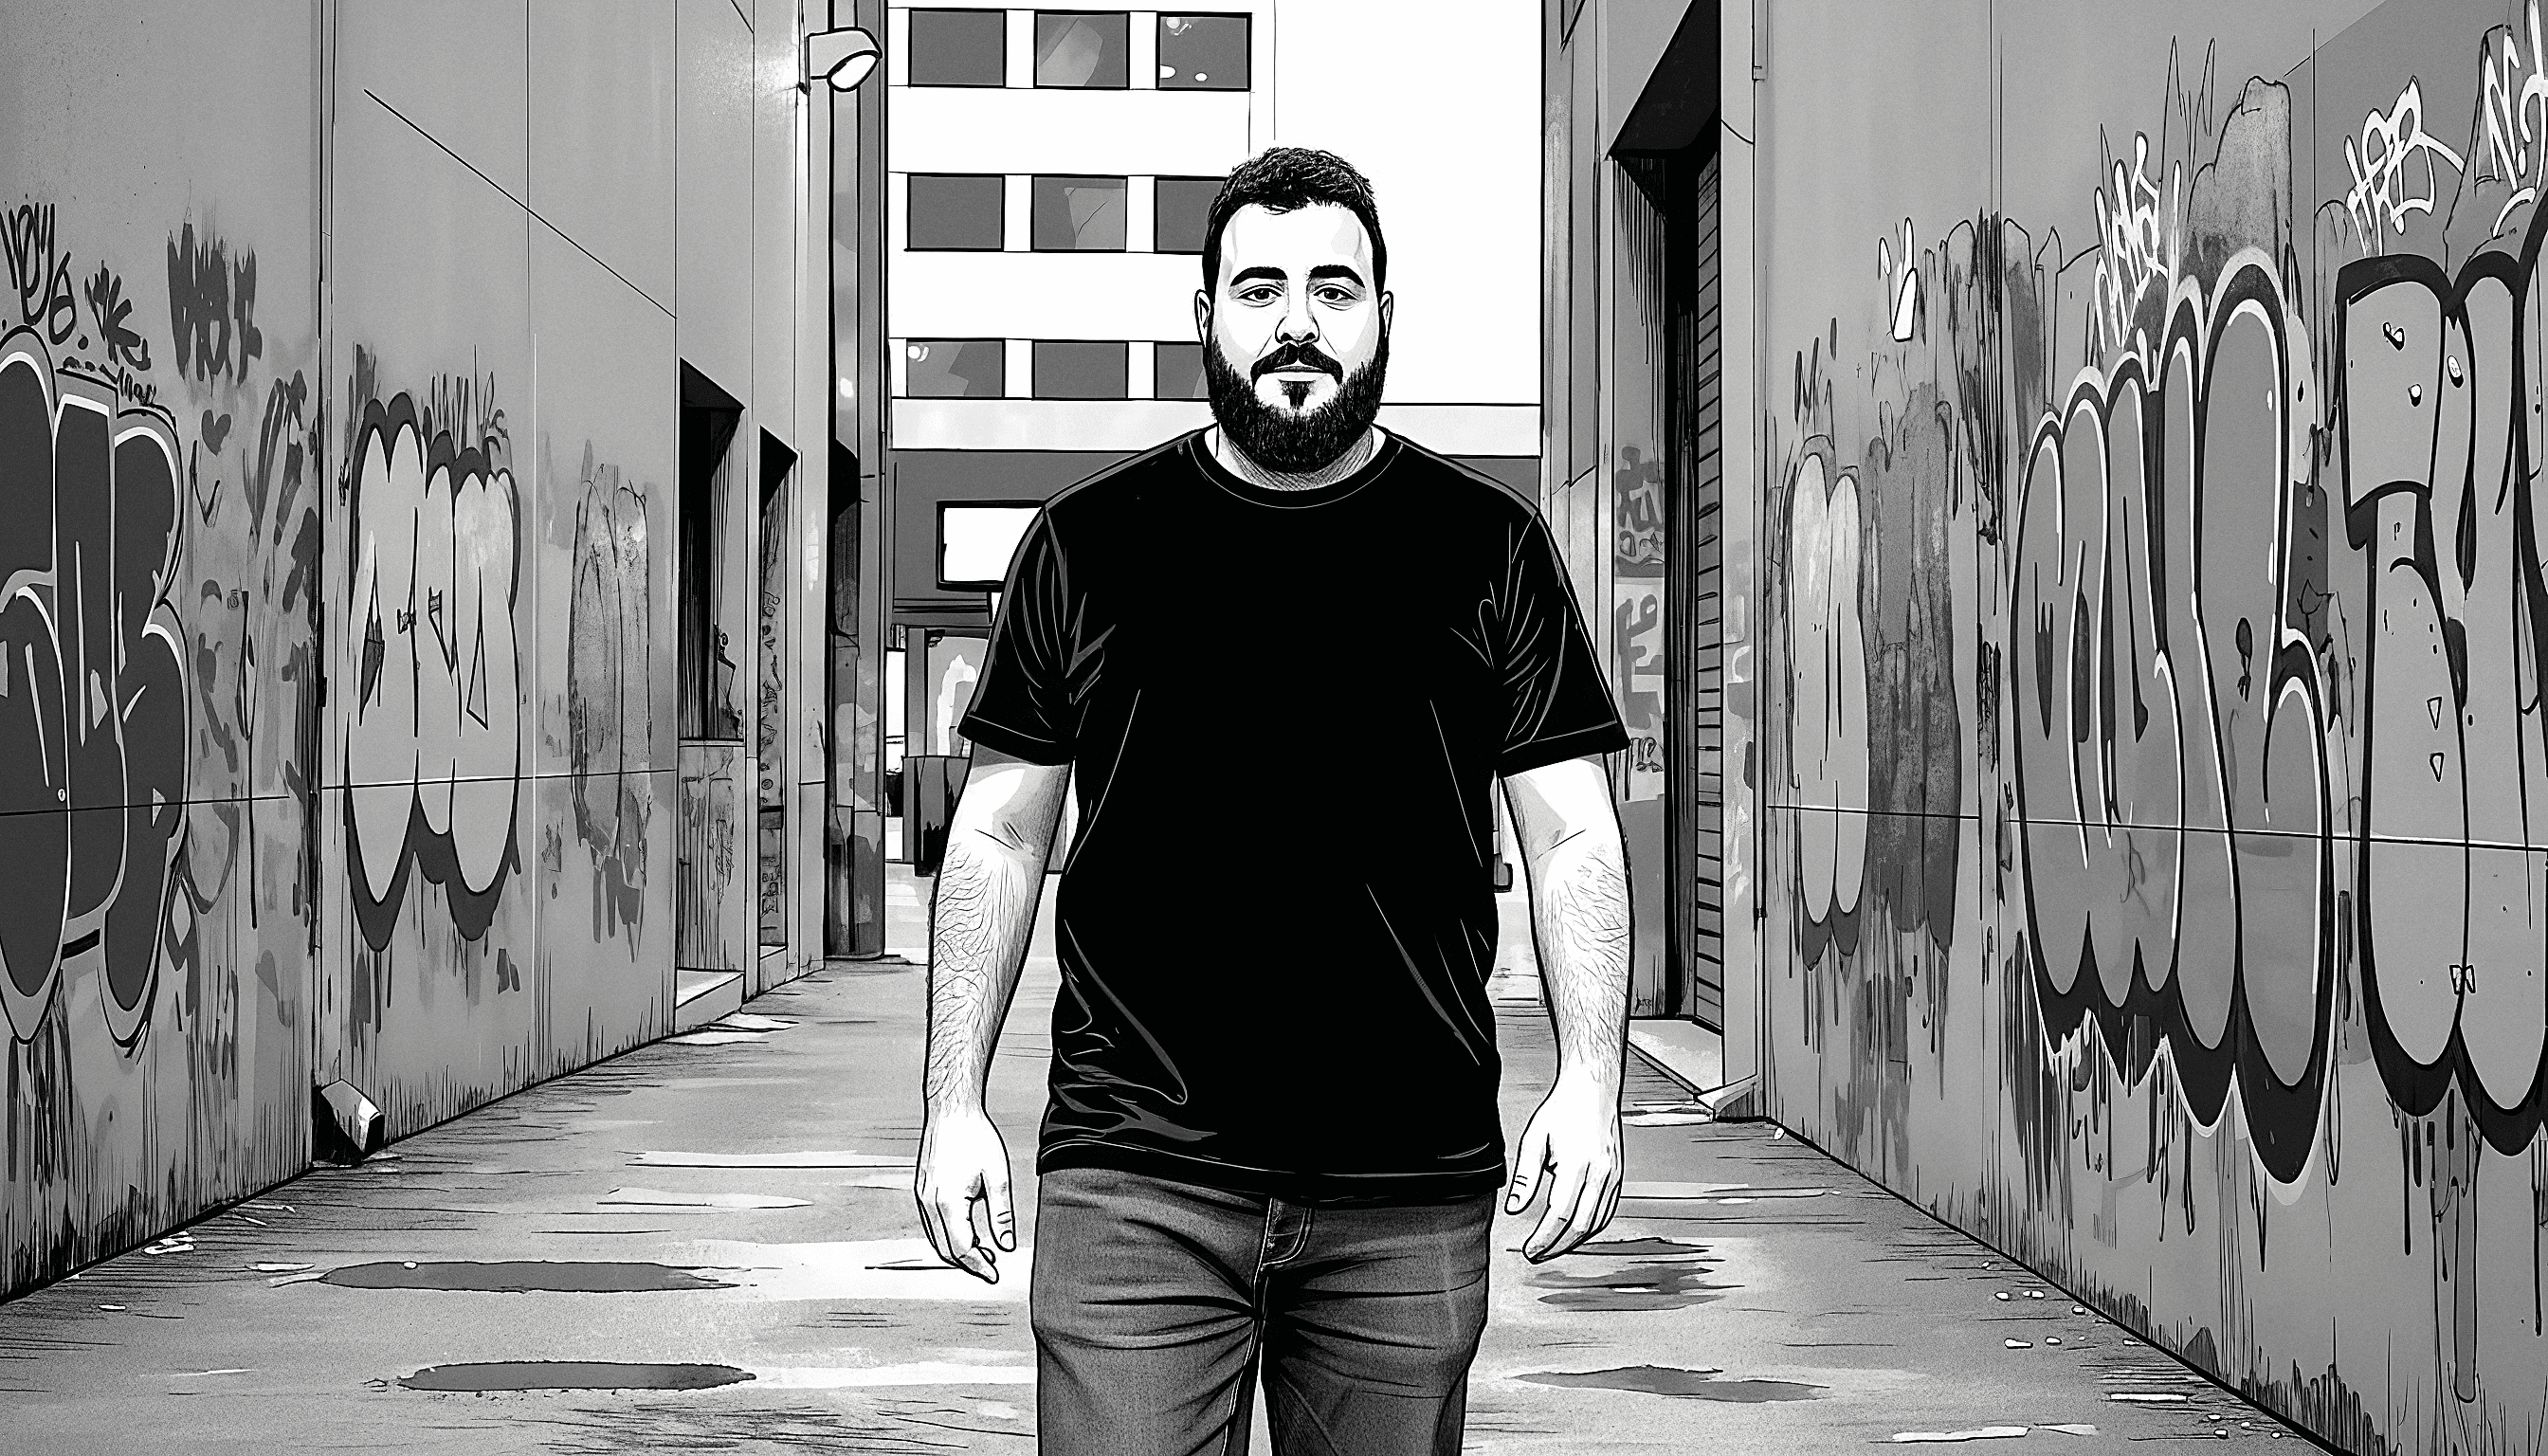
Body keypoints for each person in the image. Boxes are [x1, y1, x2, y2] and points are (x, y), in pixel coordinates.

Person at [914, 146, 1633, 1456]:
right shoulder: (1089, 542)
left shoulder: (1488, 546)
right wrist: (950, 1103)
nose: (1297, 322)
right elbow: (1001, 835)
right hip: (1136, 1177)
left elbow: (1573, 828)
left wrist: (1593, 1082)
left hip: (1404, 1193)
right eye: (1260, 288)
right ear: (1206, 315)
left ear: (1383, 316)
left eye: (1333, 289)